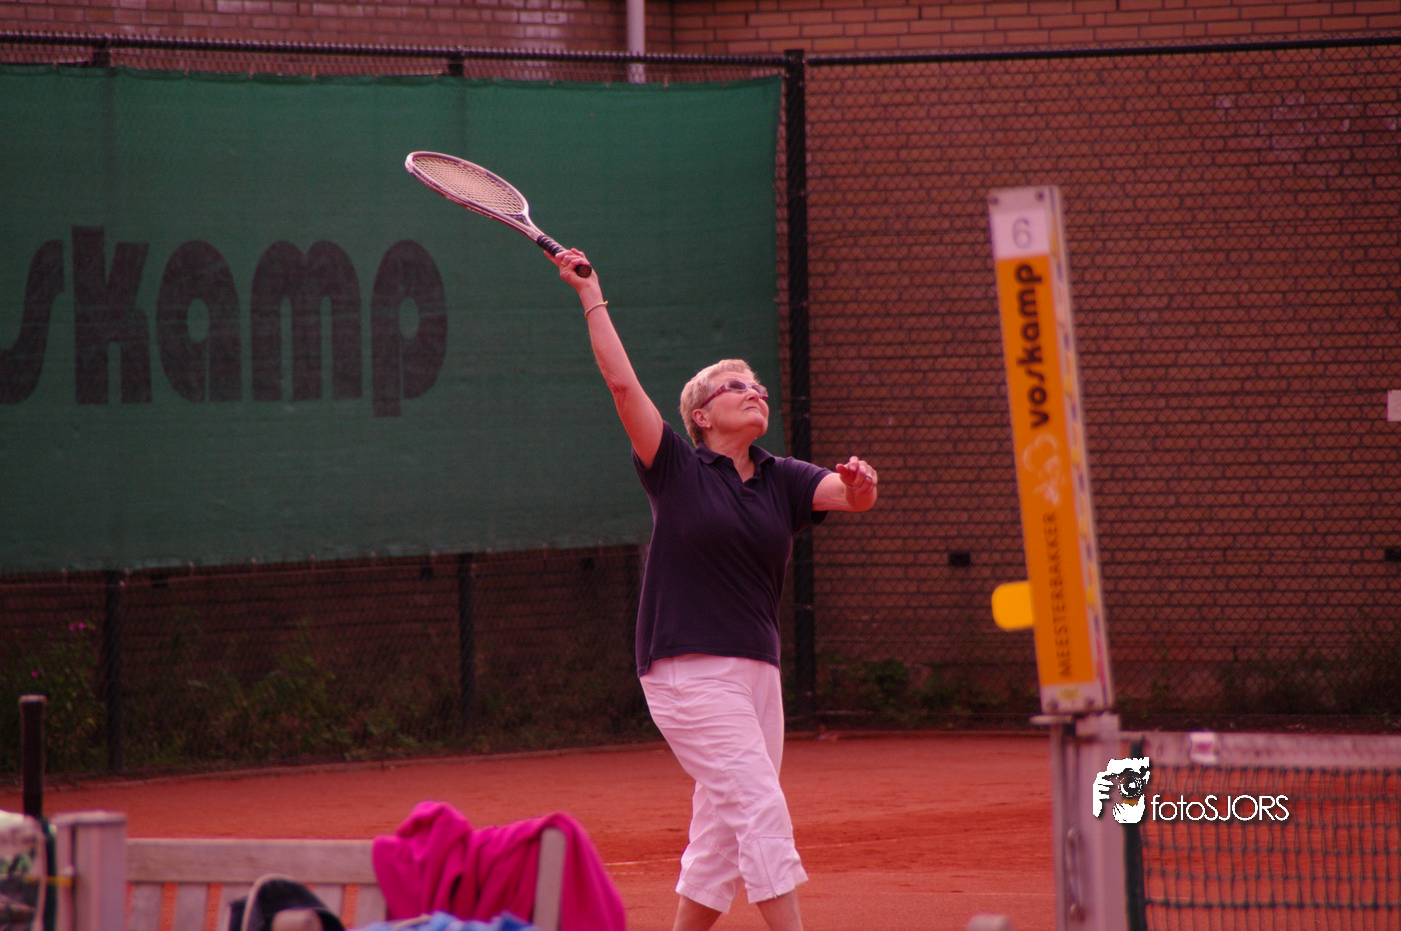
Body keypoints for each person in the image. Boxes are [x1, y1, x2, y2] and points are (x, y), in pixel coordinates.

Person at [549, 247, 878, 931]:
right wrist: (590, 295)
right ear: (700, 414)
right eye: (735, 386)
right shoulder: (675, 466)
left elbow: (848, 496)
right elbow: (622, 387)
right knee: (758, 805)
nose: (754, 391)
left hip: (758, 674)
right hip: (687, 670)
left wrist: (860, 485)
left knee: (723, 832)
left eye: (758, 386)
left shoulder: (782, 477)